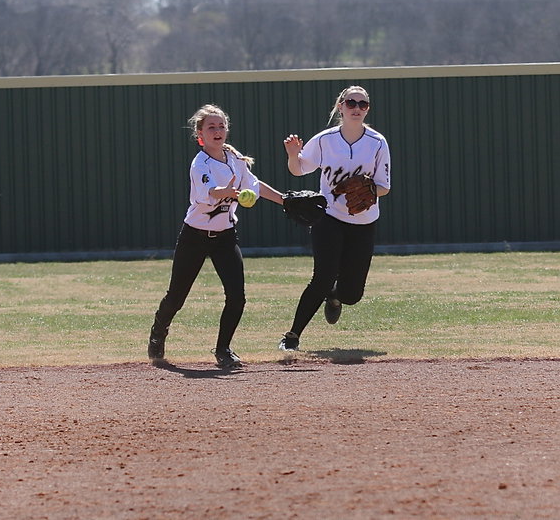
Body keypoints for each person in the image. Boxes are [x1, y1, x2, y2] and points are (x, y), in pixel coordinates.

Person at [148, 104, 285, 369]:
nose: (218, 130)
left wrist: (285, 201)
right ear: (200, 134)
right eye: (211, 126)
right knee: (177, 297)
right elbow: (211, 192)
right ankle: (158, 331)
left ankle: (223, 349)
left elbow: (255, 185)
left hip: (224, 236)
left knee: (237, 296)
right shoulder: (200, 163)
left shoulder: (235, 160)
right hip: (195, 236)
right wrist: (228, 192)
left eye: (221, 125)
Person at [277, 86, 392, 351]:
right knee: (322, 277)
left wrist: (368, 188)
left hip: (363, 222)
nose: (356, 108)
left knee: (352, 295)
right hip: (329, 217)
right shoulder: (325, 140)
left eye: (362, 104)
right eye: (351, 103)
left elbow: (385, 186)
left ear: (368, 110)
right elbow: (298, 170)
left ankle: (336, 296)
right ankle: (292, 337)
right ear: (340, 106)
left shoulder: (377, 143)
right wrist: (293, 154)